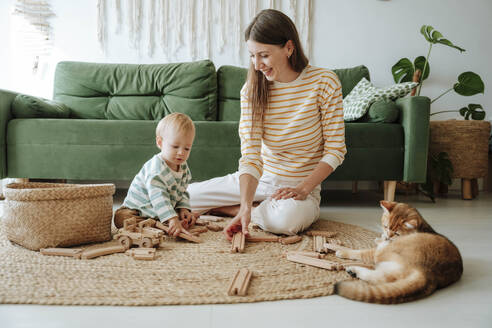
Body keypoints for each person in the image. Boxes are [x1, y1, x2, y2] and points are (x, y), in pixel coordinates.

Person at [188, 9, 346, 239]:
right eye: (252, 56)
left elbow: (335, 150)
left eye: (264, 55)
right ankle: (245, 209)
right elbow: (251, 155)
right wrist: (244, 203)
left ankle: (231, 209)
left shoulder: (324, 82)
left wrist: (302, 189)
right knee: (184, 196)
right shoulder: (251, 91)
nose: (257, 64)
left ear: (289, 48)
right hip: (263, 180)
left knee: (284, 221)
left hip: (300, 188)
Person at [114, 112, 197, 237]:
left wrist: (183, 208)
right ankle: (162, 223)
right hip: (136, 211)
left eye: (187, 148)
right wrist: (172, 218)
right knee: (122, 219)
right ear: (160, 143)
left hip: (157, 209)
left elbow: (182, 191)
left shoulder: (183, 167)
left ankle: (162, 223)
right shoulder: (156, 169)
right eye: (175, 146)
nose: (181, 153)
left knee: (173, 213)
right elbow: (158, 196)